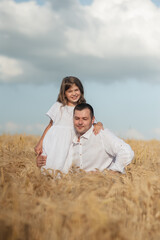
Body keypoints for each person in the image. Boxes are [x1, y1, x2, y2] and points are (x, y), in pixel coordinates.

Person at [37, 103, 134, 174]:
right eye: (77, 118)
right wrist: (41, 162)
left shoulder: (101, 134)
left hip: (102, 189)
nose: (80, 122)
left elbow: (126, 151)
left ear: (92, 120)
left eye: (84, 119)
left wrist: (110, 172)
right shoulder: (68, 138)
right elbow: (55, 158)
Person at [34, 77, 103, 172]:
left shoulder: (82, 108)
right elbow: (50, 125)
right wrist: (40, 143)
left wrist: (99, 124)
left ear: (81, 90)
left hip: (71, 142)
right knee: (50, 164)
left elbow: (93, 122)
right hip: (54, 141)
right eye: (70, 91)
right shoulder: (58, 106)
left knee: (67, 167)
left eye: (76, 90)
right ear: (64, 93)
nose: (74, 93)